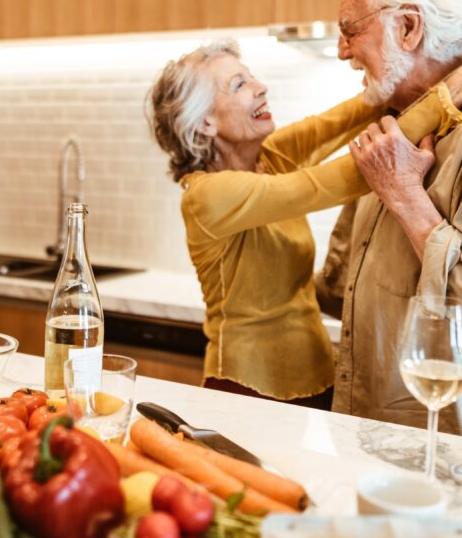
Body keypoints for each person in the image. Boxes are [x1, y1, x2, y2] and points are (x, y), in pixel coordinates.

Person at [147, 37, 461, 408]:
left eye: (251, 77)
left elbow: (348, 117)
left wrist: (407, 75)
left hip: (318, 379)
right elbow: (347, 176)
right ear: (204, 123)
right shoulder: (207, 195)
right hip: (246, 387)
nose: (260, 87)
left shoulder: (270, 156)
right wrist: (444, 99)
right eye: (239, 85)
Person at [315, 0, 462, 432]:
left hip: (441, 456)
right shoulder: (390, 126)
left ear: (408, 26)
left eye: (350, 30)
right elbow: (342, 289)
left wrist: (405, 196)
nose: (341, 51)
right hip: (368, 434)